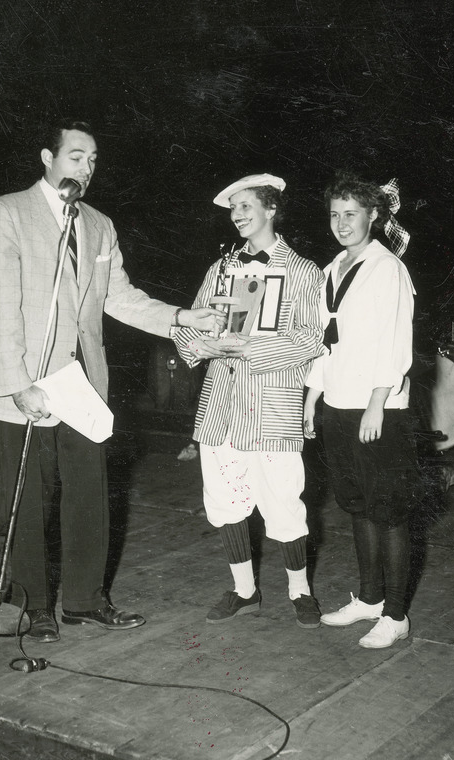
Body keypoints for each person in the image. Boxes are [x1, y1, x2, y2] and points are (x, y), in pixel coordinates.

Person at [0, 119, 224, 643]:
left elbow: (120, 297)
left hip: (82, 384)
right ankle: (33, 606)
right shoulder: (7, 213)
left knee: (88, 494)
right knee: (28, 501)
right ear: (48, 157)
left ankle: (85, 601)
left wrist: (182, 315)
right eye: (75, 157)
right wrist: (19, 383)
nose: (85, 170)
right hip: (27, 387)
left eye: (92, 161)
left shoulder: (99, 225)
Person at [173, 173, 325, 628]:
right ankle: (244, 591)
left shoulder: (303, 272)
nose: (237, 216)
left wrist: (251, 348)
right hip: (222, 405)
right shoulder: (220, 270)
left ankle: (300, 591)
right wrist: (202, 345)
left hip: (273, 406)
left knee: (284, 502)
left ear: (271, 209)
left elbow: (312, 339)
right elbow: (190, 327)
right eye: (232, 209)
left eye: (245, 207)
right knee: (225, 499)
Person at [303, 172, 422, 649]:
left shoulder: (387, 268)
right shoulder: (333, 267)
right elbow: (326, 341)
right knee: (357, 504)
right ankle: (370, 599)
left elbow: (396, 341)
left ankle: (395, 614)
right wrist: (313, 398)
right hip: (338, 405)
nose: (341, 223)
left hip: (379, 409)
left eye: (351, 214)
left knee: (389, 510)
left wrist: (377, 403)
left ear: (374, 216)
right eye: (334, 214)